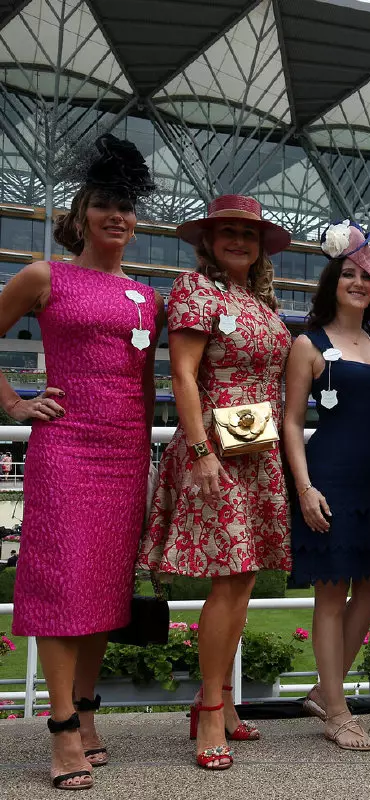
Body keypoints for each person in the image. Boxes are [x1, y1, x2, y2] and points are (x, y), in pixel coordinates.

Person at [4, 135, 159, 791]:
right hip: (66, 449)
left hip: (126, 455)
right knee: (64, 585)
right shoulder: (45, 276)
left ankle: (87, 712)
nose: (116, 217)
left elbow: (149, 383)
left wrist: (151, 466)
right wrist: (15, 402)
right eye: (104, 205)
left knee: (103, 589)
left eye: (125, 208)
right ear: (82, 214)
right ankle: (62, 727)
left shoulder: (146, 297)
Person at [139, 195, 293, 771]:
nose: (238, 241)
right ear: (207, 241)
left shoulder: (258, 301)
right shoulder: (194, 289)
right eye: (226, 231)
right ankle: (207, 710)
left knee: (244, 578)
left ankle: (224, 702)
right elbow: (181, 374)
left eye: (248, 234)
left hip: (256, 447)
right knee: (229, 577)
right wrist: (201, 451)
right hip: (215, 449)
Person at [283, 220, 370, 752]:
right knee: (331, 591)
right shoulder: (308, 344)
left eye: (366, 277)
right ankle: (337, 710)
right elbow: (291, 422)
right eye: (349, 274)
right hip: (329, 478)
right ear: (332, 282)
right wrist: (304, 487)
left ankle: (322, 692)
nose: (358, 283)